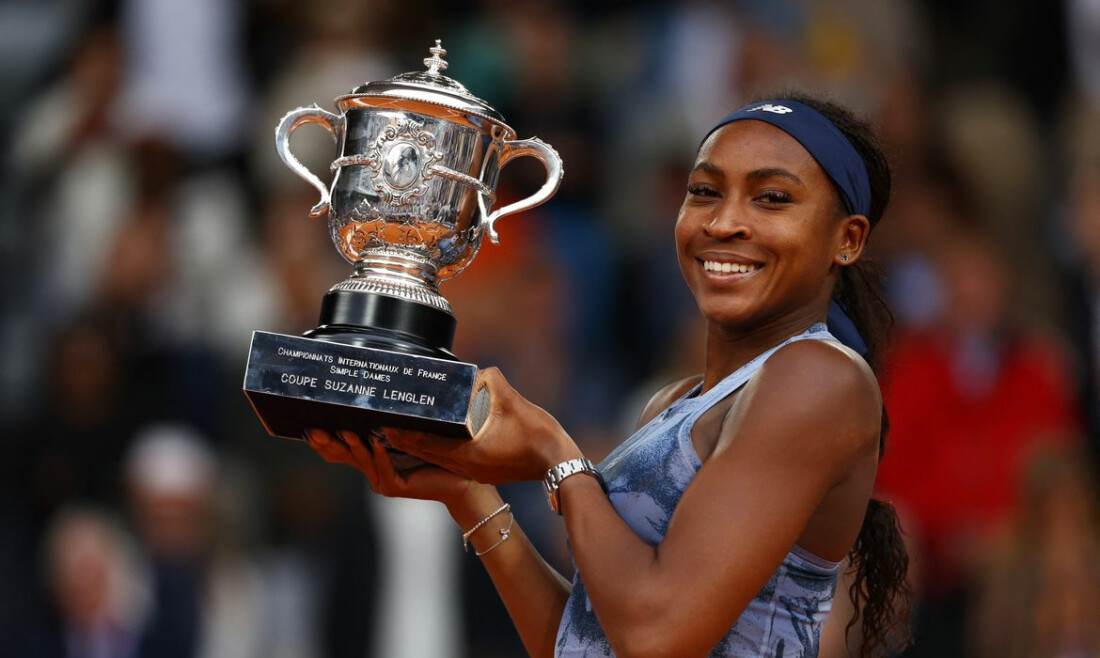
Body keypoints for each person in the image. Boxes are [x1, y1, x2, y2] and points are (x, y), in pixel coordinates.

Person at [305, 93, 911, 657]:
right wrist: (467, 495)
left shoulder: (818, 377)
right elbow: (586, 644)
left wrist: (552, 450)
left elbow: (656, 633)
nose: (725, 222)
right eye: (704, 191)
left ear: (847, 240)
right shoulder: (673, 403)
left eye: (771, 198)